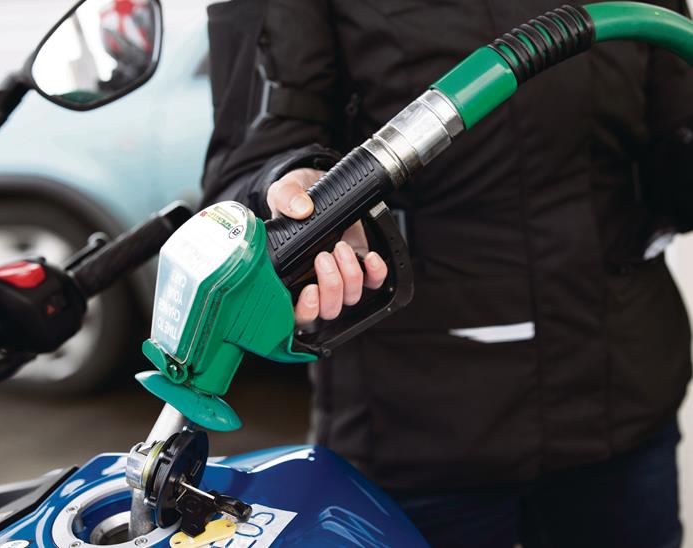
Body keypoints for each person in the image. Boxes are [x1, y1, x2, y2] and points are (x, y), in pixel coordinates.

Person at [201, 1, 693, 546]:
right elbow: (247, 162)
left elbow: (673, 158)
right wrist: (296, 186)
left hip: (621, 411)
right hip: (416, 439)